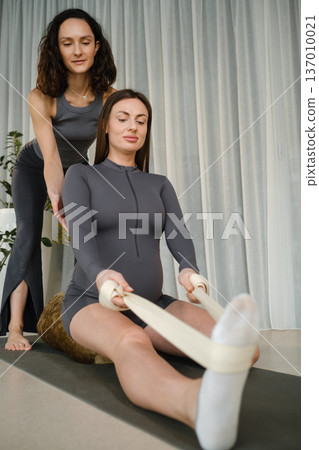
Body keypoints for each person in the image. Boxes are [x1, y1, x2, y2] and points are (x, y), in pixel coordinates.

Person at [61, 89, 260, 450]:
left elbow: (178, 235)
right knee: (130, 341)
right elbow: (80, 235)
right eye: (123, 118)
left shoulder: (159, 184)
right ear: (106, 125)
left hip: (153, 303)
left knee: (246, 353)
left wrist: (188, 270)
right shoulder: (81, 175)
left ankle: (198, 365)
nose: (133, 127)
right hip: (91, 300)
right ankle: (194, 405)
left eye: (141, 120)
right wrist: (101, 273)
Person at [0, 8, 117, 350]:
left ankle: (92, 317)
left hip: (77, 167)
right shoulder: (43, 96)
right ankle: (17, 327)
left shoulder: (109, 97)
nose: (77, 51)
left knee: (89, 234)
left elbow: (104, 156)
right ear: (56, 49)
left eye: (84, 42)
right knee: (28, 236)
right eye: (68, 43)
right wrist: (58, 199)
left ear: (97, 47)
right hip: (35, 167)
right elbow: (51, 157)